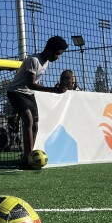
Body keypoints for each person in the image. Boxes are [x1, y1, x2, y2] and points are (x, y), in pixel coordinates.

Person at [6, 36, 69, 169]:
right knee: (28, 120)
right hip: (16, 91)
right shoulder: (33, 60)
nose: (58, 57)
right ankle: (27, 159)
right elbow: (31, 84)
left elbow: (33, 86)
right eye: (58, 54)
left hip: (29, 94)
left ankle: (29, 158)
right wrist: (54, 90)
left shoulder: (45, 63)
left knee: (35, 125)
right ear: (50, 50)